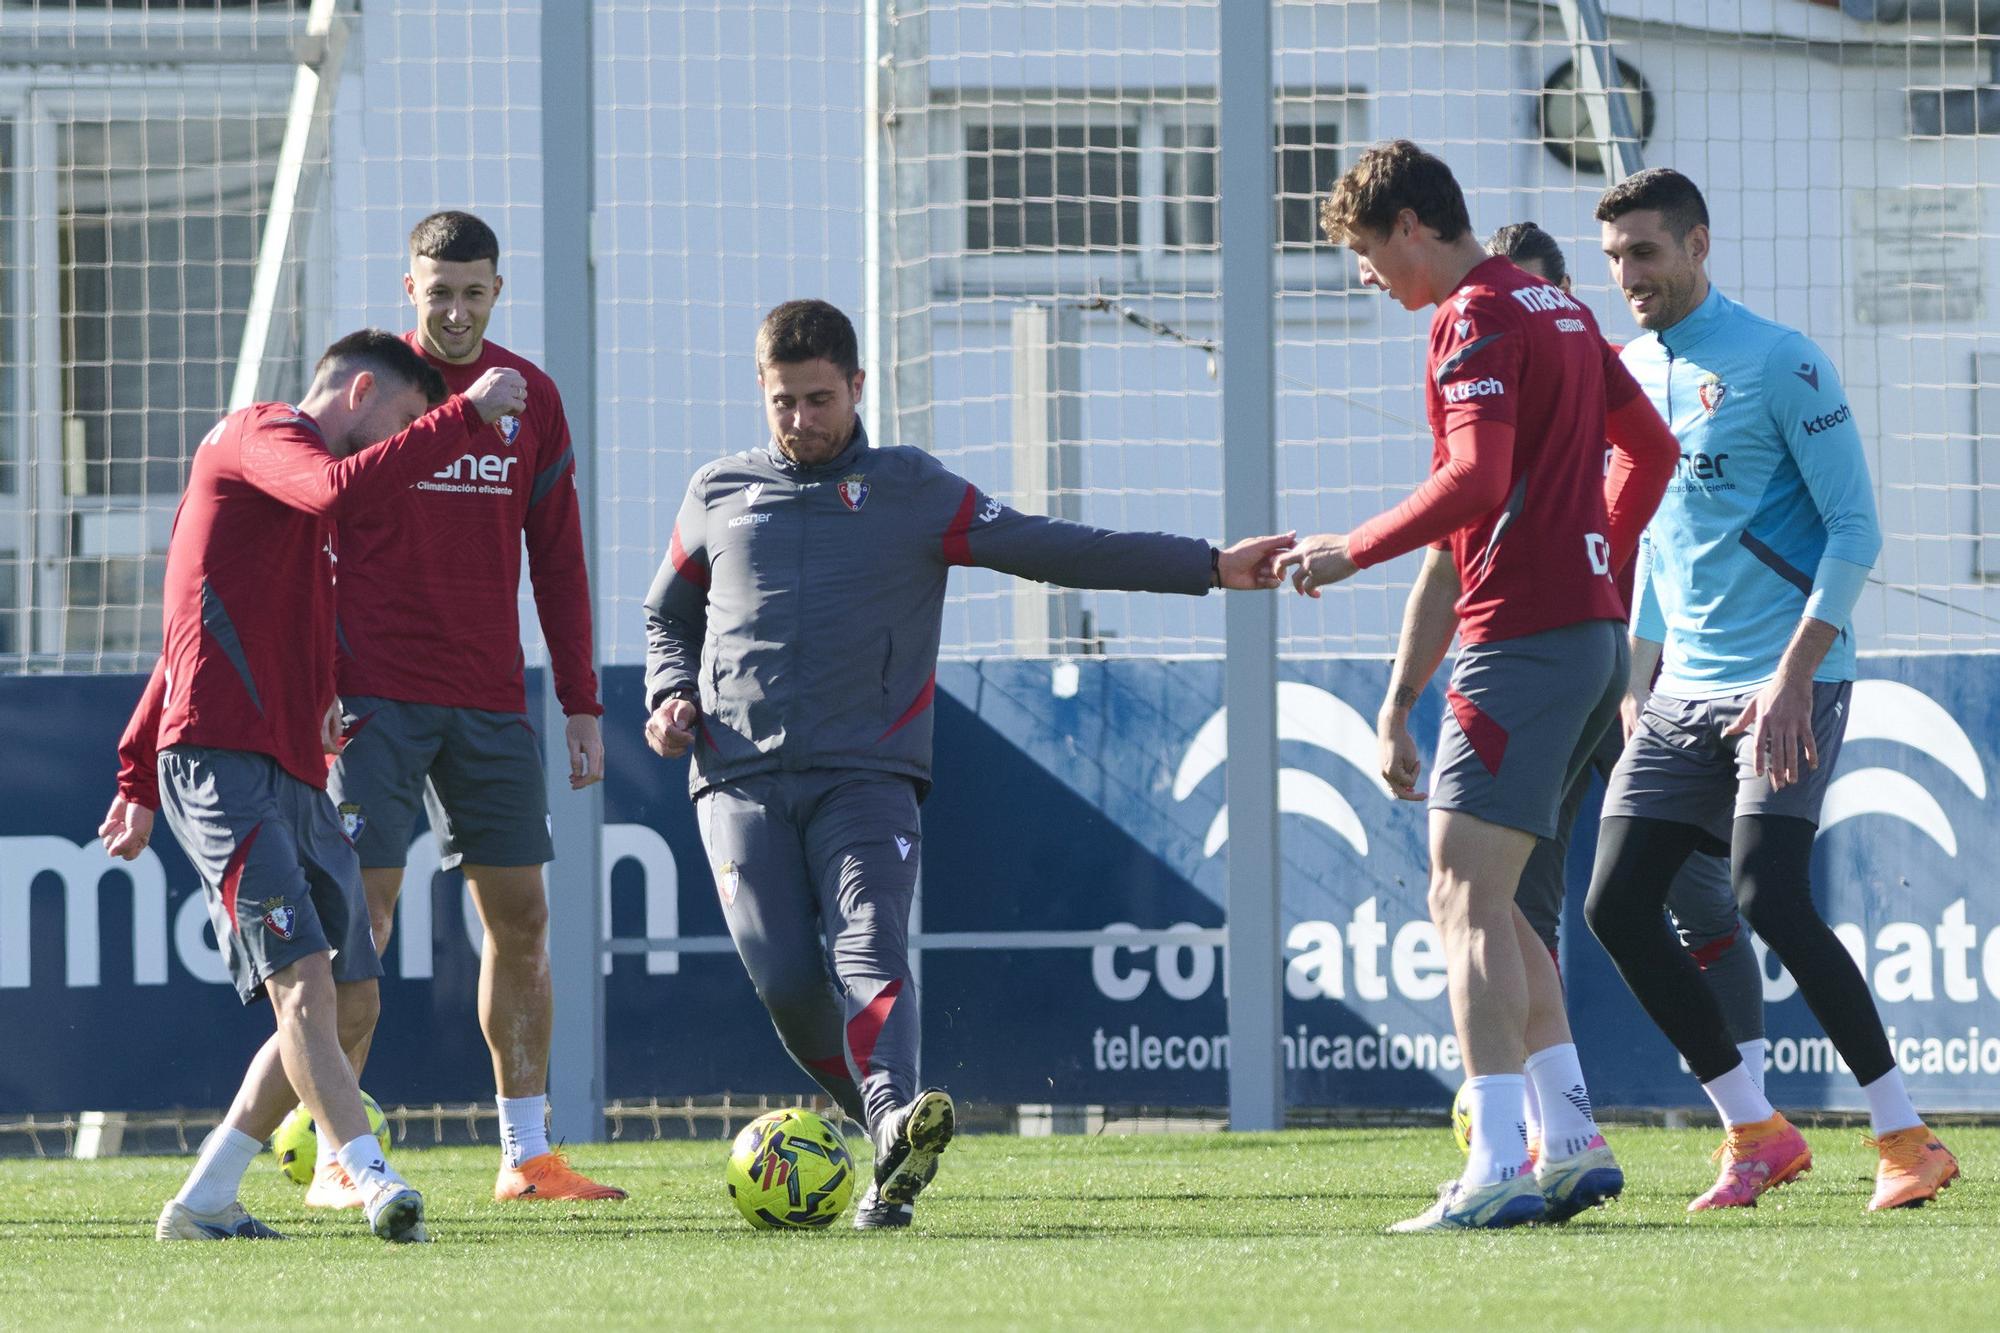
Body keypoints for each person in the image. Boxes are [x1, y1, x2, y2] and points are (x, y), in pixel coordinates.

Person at [643, 299, 1292, 1228]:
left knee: (870, 944)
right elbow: (666, 615)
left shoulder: (913, 488)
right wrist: (668, 695)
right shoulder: (716, 489)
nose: (800, 420)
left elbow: (1053, 547)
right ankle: (886, 1130)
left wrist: (1210, 564)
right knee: (786, 977)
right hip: (735, 774)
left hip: (867, 773)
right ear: (762, 390)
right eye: (783, 401)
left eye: (819, 399)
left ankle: (893, 1133)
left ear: (858, 386)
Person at [1280, 141, 1678, 1231]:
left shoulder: (1473, 314)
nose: (1366, 276)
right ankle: (1571, 1136)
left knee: (1458, 898)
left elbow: (1474, 480)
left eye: (1365, 252)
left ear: (1411, 224)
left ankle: (1495, 1161)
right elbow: (1647, 454)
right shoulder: (1552, 304)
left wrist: (1345, 550)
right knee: (1497, 904)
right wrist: (1593, 548)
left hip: (1523, 642)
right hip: (1590, 634)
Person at [101, 329, 528, 1242]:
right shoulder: (256, 437)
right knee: (301, 981)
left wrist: (323, 692)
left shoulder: (306, 517)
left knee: (352, 992)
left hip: (296, 772)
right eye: (405, 419)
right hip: (219, 764)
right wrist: (461, 416)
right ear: (360, 390)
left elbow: (194, 630)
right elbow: (333, 487)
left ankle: (209, 1195)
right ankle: (371, 1176)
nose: (405, 440)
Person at [1586, 168, 1959, 1211]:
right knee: (1616, 904)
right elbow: (1660, 541)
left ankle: (1903, 1138)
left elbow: (1855, 531)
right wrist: (1634, 676)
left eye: (1644, 252)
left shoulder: (1780, 361)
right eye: (1613, 257)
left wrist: (1794, 675)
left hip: (1787, 677)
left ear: (1698, 245)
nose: (1627, 276)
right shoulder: (1625, 369)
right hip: (1679, 687)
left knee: (1766, 893)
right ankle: (1753, 1128)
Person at [318, 211, 624, 1206]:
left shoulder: (529, 396)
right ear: (408, 287)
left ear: (498, 291)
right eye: (437, 290)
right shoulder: (372, 390)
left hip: (491, 700)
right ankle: (335, 1155)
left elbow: (559, 558)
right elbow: (308, 532)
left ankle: (525, 1154)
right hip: (371, 697)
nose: (455, 309)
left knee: (522, 918)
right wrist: (315, 681)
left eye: (473, 292)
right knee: (360, 919)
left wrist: (579, 699)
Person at [1484, 222, 1766, 1161]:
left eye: (1537, 295)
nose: (1516, 319)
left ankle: (1752, 1120)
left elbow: (1659, 478)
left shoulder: (1623, 373)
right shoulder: (1484, 390)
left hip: (1647, 669)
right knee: (1520, 901)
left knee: (1700, 898)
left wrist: (1592, 563)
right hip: (1546, 665)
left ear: (1566, 297)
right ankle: (1547, 1124)